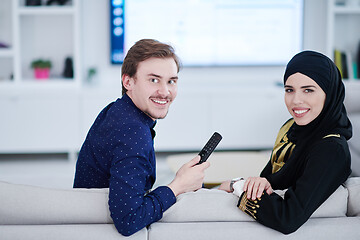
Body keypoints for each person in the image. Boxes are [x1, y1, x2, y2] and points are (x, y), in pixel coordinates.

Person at [73, 39, 210, 236]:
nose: (165, 91)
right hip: (96, 229)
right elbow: (129, 220)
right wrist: (178, 185)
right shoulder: (133, 132)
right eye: (154, 80)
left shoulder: (116, 110)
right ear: (128, 81)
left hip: (84, 214)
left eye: (171, 81)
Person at [219, 50, 352, 234]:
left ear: (329, 93)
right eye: (289, 90)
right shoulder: (291, 128)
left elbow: (288, 218)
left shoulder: (331, 149)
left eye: (308, 90)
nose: (296, 100)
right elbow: (266, 179)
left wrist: (238, 186)